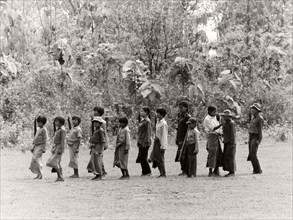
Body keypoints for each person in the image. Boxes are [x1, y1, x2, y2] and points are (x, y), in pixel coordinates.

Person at [203, 106, 224, 177]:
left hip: (216, 136)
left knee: (218, 154)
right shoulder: (207, 119)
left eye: (216, 112)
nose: (215, 113)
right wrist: (221, 124)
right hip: (212, 137)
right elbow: (213, 128)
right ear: (209, 112)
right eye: (214, 112)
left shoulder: (215, 117)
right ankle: (210, 171)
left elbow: (217, 127)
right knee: (212, 154)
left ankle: (216, 170)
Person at [46, 116, 66, 182]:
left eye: (57, 121)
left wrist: (61, 149)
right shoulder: (58, 129)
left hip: (59, 147)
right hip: (56, 147)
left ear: (61, 123)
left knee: (54, 162)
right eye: (55, 121)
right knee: (57, 162)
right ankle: (60, 176)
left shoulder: (62, 130)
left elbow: (62, 141)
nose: (55, 122)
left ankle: (60, 176)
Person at [150, 107, 168, 178]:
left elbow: (164, 135)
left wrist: (163, 146)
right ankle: (161, 173)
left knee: (160, 158)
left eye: (158, 113)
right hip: (156, 141)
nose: (156, 114)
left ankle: (163, 173)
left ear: (161, 114)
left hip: (161, 142)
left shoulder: (164, 123)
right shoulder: (158, 122)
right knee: (156, 157)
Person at [87, 116, 106, 180]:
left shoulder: (100, 130)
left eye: (97, 122)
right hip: (94, 146)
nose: (95, 124)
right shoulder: (96, 130)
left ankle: (99, 174)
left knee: (97, 161)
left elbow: (103, 140)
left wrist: (101, 149)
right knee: (94, 161)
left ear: (100, 123)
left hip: (98, 147)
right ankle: (97, 174)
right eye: (94, 122)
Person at [175, 101, 190, 175]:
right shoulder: (180, 116)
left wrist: (186, 139)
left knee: (183, 154)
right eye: (179, 107)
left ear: (186, 108)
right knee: (180, 154)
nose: (180, 109)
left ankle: (186, 170)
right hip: (179, 137)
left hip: (184, 138)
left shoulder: (188, 117)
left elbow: (188, 129)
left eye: (181, 107)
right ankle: (183, 169)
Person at [247, 103, 263, 174]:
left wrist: (259, 140)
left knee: (253, 153)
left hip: (255, 136)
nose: (252, 110)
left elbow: (260, 130)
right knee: (251, 154)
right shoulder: (253, 117)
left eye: (254, 109)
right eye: (252, 109)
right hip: (251, 136)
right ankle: (255, 169)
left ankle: (258, 170)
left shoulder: (260, 119)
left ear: (257, 110)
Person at [136, 106, 152, 176]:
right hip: (140, 140)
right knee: (141, 156)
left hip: (145, 141)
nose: (141, 112)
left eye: (142, 111)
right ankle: (144, 171)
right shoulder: (142, 120)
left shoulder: (147, 121)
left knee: (143, 157)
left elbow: (148, 132)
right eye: (140, 111)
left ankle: (148, 171)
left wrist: (146, 141)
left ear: (146, 112)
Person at [93, 106, 109, 176]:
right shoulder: (94, 121)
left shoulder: (102, 122)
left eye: (96, 111)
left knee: (99, 156)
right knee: (97, 156)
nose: (94, 112)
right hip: (95, 141)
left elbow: (104, 132)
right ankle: (101, 170)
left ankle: (102, 171)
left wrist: (105, 142)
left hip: (100, 142)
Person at [220, 110, 236, 177]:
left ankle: (232, 172)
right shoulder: (226, 123)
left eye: (225, 116)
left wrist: (232, 142)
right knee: (226, 156)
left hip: (230, 142)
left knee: (231, 157)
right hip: (226, 142)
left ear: (229, 117)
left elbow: (232, 134)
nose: (224, 118)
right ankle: (229, 170)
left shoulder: (231, 123)